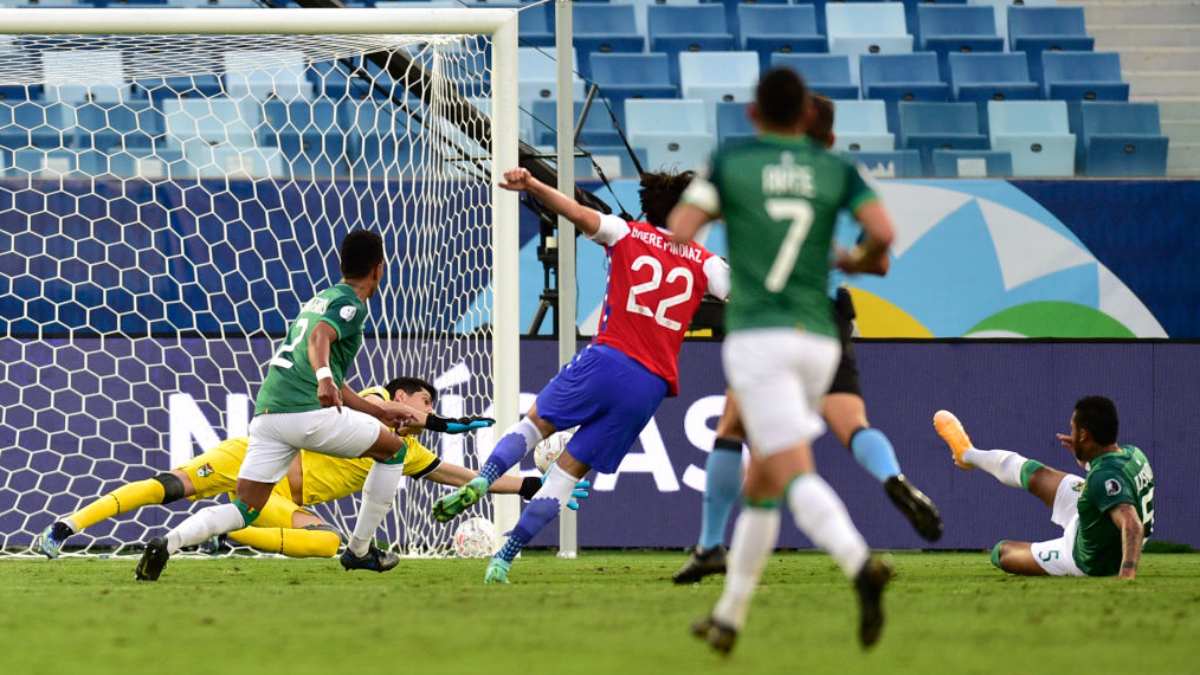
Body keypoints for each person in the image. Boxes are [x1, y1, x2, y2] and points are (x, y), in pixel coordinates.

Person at [668, 69, 897, 653]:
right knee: (764, 483)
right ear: (805, 117)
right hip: (820, 339)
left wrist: (740, 217)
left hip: (759, 337)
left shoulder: (734, 163)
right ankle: (728, 618)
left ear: (753, 114)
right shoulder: (834, 170)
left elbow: (681, 227)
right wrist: (852, 258)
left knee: (790, 470)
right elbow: (883, 235)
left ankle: (859, 562)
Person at [134, 229, 492, 581]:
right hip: (305, 413)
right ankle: (361, 550)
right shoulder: (350, 303)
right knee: (395, 451)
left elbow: (334, 375)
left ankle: (169, 542)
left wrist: (380, 410)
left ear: (341, 264)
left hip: (268, 416)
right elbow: (321, 337)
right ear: (379, 269)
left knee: (245, 509)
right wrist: (323, 376)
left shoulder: (321, 298)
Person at [430, 167, 730, 584]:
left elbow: (576, 211)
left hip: (607, 359)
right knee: (567, 475)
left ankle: (483, 480)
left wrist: (532, 185)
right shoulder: (707, 262)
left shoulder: (626, 233)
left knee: (533, 426)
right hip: (649, 386)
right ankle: (503, 558)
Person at [36, 377, 586, 559]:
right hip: (250, 457)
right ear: (402, 397)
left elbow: (464, 477)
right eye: (422, 403)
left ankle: (220, 530)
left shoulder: (404, 451)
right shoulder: (370, 401)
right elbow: (371, 405)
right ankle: (67, 527)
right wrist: (435, 422)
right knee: (167, 485)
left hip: (283, 499)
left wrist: (537, 482)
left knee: (330, 545)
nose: (426, 413)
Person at [933, 396, 1152, 579]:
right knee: (1036, 474)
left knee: (1001, 552)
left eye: (1074, 430)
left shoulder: (1103, 478)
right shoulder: (1133, 453)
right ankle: (967, 453)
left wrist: (1127, 574)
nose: (1072, 434)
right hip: (1097, 519)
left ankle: (968, 455)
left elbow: (1131, 524)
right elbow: (1113, 480)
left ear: (1085, 435)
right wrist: (1084, 454)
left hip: (1085, 557)